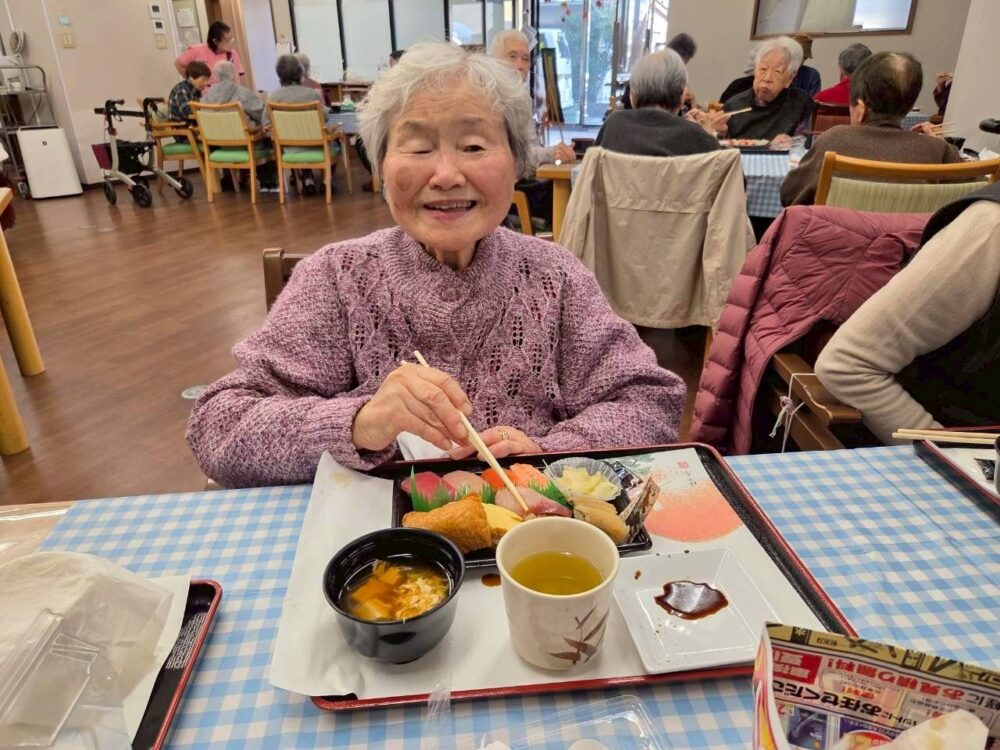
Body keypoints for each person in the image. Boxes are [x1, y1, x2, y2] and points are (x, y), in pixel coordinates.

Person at [186, 42, 686, 488]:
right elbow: (219, 426)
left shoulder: (555, 277)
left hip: (527, 549)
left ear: (515, 163)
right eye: (419, 147)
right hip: (379, 564)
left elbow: (649, 402)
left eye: (472, 146)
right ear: (381, 164)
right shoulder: (337, 278)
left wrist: (552, 453)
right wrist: (359, 422)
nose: (446, 175)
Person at [815, 184, 1000, 443]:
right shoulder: (989, 227)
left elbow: (797, 190)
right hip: (949, 441)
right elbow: (846, 364)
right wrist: (949, 453)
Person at [780, 52, 962, 207]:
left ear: (860, 108)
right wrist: (941, 145)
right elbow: (971, 193)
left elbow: (790, 196)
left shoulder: (834, 140)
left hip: (836, 245)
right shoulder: (937, 150)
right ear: (910, 105)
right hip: (912, 247)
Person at [596, 50, 720, 158]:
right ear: (682, 96)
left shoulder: (613, 126)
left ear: (632, 96)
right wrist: (708, 135)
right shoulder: (698, 138)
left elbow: (592, 175)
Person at [490, 29, 575, 168]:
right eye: (512, 56)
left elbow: (530, 148)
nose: (520, 66)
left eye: (525, 59)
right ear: (493, 60)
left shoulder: (522, 98)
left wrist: (557, 152)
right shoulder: (486, 98)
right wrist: (552, 153)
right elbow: (508, 157)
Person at [719, 37, 814, 140]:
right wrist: (720, 134)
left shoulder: (800, 103)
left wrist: (791, 143)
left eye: (777, 71)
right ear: (755, 70)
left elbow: (806, 143)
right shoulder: (734, 105)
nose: (767, 78)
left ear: (790, 78)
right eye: (763, 69)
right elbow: (722, 149)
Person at [174, 21, 244, 88]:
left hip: (226, 93)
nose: (231, 42)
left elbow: (236, 79)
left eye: (231, 38)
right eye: (227, 40)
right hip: (205, 94)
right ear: (216, 41)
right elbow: (178, 64)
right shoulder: (197, 50)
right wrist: (191, 82)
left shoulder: (232, 54)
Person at [202, 60, 265, 125]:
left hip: (214, 133)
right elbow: (262, 113)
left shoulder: (206, 96)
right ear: (233, 74)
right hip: (242, 133)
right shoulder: (242, 92)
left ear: (216, 75)